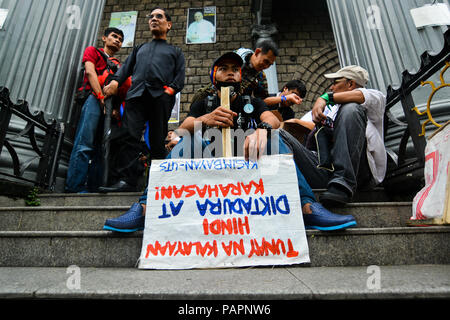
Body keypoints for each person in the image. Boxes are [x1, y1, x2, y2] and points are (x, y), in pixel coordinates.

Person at [102, 51, 357, 233]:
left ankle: (306, 206)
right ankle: (146, 206)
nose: (231, 73)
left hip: (245, 157)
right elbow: (182, 127)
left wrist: (263, 129)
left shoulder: (252, 101)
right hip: (211, 156)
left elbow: (273, 120)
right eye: (224, 69)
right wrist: (206, 118)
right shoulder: (204, 101)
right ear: (215, 74)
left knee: (274, 138)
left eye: (235, 69)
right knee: (186, 143)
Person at [101, 7, 185, 192]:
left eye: (159, 16)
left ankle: (158, 183)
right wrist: (115, 82)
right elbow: (125, 70)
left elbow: (180, 77)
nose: (154, 19)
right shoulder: (140, 48)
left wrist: (169, 92)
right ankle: (127, 181)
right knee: (129, 137)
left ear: (168, 25)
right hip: (136, 96)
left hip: (160, 99)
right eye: (151, 17)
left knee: (156, 141)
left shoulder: (175, 52)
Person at [280, 65, 387, 207]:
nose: (331, 87)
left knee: (351, 108)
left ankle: (343, 182)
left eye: (336, 82)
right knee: (279, 136)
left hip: (357, 173)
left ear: (350, 84)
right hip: (326, 170)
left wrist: (324, 98)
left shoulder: (374, 97)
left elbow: (361, 96)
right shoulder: (330, 109)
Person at [65, 27, 126, 193]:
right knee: (84, 143)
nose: (117, 40)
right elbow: (90, 72)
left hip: (110, 108)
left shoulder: (119, 65)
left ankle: (93, 187)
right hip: (94, 99)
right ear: (104, 38)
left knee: (102, 148)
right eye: (114, 36)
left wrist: (113, 109)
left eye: (120, 39)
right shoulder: (93, 51)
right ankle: (74, 187)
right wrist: (100, 98)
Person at [192, 38, 278, 102]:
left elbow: (263, 99)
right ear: (257, 52)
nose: (266, 66)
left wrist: (281, 98)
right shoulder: (237, 57)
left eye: (269, 65)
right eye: (265, 61)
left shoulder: (260, 76)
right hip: (212, 99)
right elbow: (212, 70)